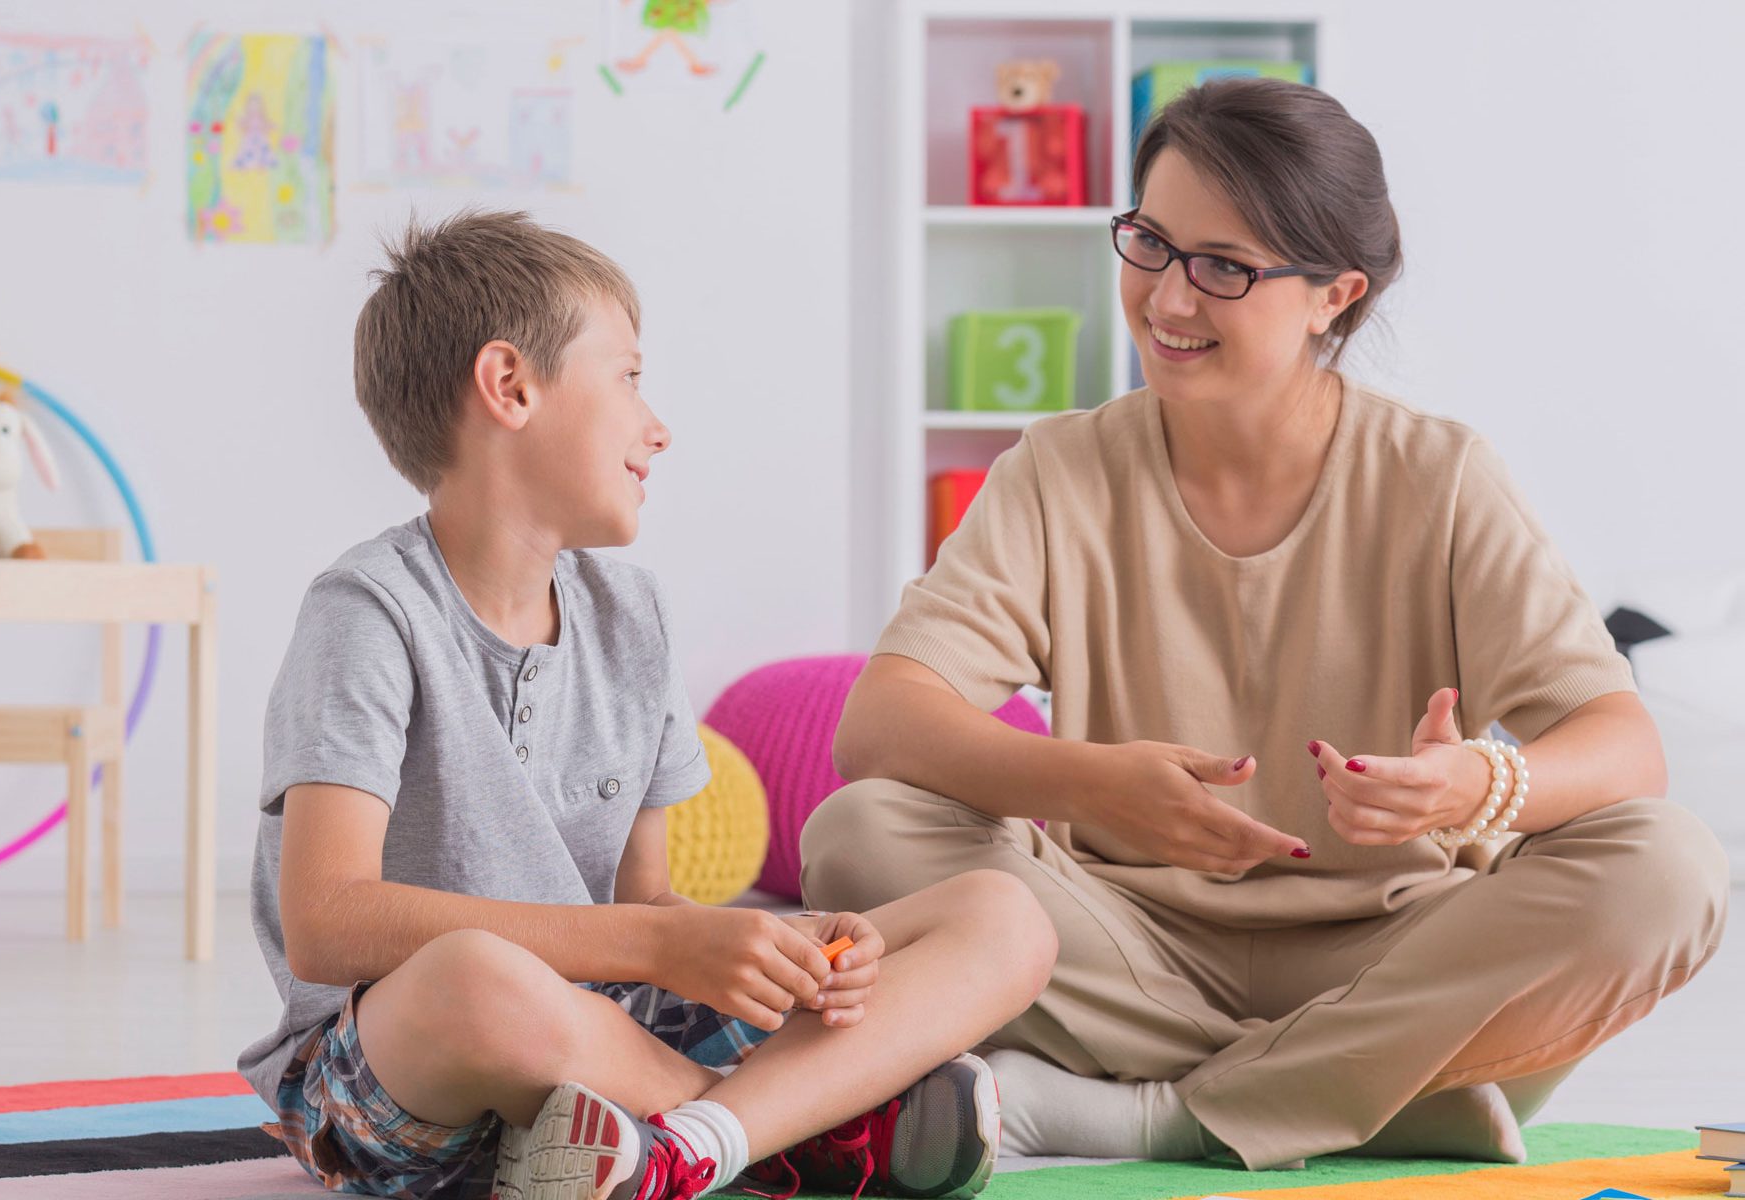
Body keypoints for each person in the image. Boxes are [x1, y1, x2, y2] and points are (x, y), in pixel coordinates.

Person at [802, 79, 1728, 1170]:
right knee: (857, 834)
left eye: (1224, 269)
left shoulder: (1438, 478)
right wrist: (1089, 784)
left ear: (1333, 295)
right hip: (1122, 939)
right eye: (1147, 242)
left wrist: (1481, 786)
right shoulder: (1060, 468)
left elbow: (1624, 745)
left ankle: (1166, 1115)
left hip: (1388, 950)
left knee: (1667, 867)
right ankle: (1368, 1094)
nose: (1166, 299)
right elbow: (880, 724)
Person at [237, 209, 1057, 1200]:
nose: (655, 424)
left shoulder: (635, 615)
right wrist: (660, 944)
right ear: (510, 386)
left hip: (611, 1033)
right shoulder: (367, 613)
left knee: (1002, 911)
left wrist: (787, 953)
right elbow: (326, 922)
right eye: (626, 378)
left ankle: (680, 1146)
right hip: (393, 1079)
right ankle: (784, 1132)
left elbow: (648, 901)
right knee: (477, 978)